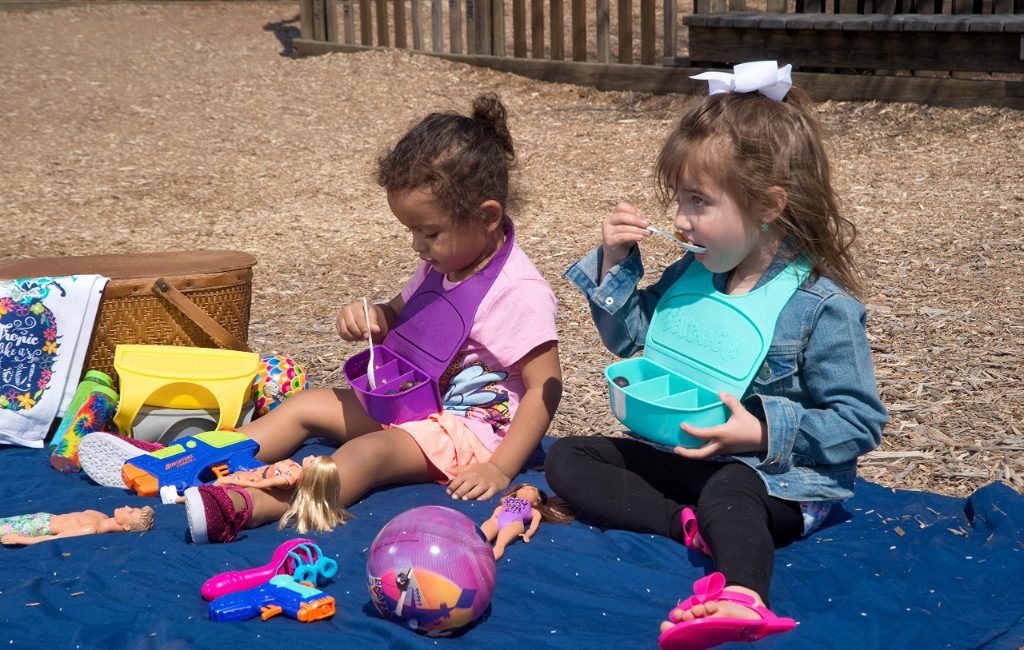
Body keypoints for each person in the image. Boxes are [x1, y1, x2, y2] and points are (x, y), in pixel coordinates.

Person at [545, 62, 888, 650]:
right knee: (570, 459)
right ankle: (692, 524)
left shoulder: (819, 308)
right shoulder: (695, 271)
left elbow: (858, 424)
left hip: (775, 482)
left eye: (699, 201)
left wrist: (759, 432)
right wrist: (613, 265)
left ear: (768, 205)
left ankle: (743, 595)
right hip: (690, 458)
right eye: (678, 199)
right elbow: (634, 341)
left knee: (729, 491)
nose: (680, 220)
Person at [183, 93, 563, 545]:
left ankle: (259, 506)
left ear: (486, 217)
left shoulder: (517, 292)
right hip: (411, 402)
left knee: (367, 453)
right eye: (411, 232)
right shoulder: (446, 260)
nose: (417, 246)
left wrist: (500, 468)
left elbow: (546, 386)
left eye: (429, 233)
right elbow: (401, 314)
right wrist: (371, 317)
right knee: (305, 404)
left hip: (469, 431)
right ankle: (197, 460)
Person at [175, 455, 352, 535]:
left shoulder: (287, 479)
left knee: (217, 485)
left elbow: (258, 484)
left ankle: (179, 498)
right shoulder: (295, 470)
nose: (310, 455)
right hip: (254, 473)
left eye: (312, 460)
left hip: (248, 478)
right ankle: (190, 497)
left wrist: (234, 481)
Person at [480, 483, 574, 560]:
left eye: (533, 490)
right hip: (497, 520)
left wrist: (527, 534)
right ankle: (473, 551)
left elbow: (533, 527)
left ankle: (486, 561)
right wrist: (491, 520)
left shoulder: (534, 511)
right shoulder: (506, 502)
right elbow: (495, 514)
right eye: (524, 487)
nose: (527, 489)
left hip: (515, 523)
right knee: (481, 537)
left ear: (536, 502)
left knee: (500, 543)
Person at [1, 506, 155, 546]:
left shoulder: (90, 529)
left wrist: (19, 539)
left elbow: (52, 538)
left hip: (35, 529)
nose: (126, 506)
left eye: (129, 512)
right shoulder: (100, 515)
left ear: (127, 527)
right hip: (42, 518)